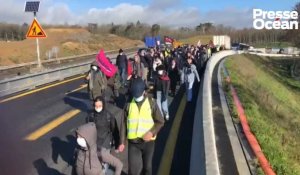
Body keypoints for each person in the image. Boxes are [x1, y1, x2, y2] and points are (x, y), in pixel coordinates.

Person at [125, 78, 164, 175]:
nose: (136, 97)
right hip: (133, 143)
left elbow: (160, 121)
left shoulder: (152, 103)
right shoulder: (128, 104)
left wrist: (151, 132)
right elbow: (123, 122)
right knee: (133, 170)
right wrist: (121, 141)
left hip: (148, 143)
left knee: (147, 168)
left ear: (144, 92)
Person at [88, 96, 125, 175]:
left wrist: (118, 144)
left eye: (99, 106)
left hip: (105, 145)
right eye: (96, 106)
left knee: (103, 166)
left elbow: (115, 131)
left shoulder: (109, 116)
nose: (98, 108)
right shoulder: (90, 116)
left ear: (103, 105)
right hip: (94, 145)